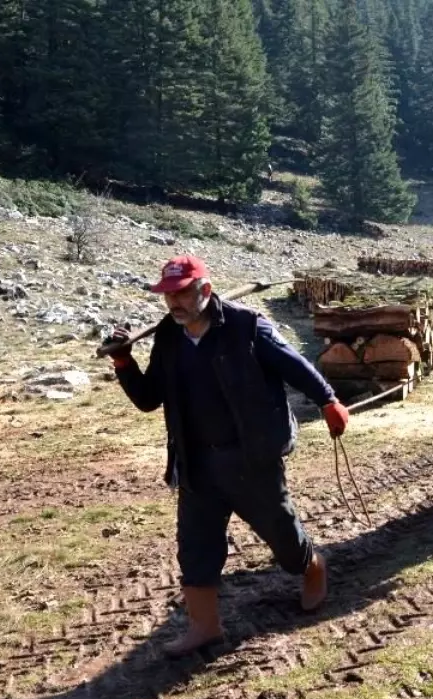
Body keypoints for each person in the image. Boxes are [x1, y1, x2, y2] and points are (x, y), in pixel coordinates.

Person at [105, 255, 350, 656]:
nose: (174, 303)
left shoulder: (247, 327)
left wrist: (328, 401)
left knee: (282, 534)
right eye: (168, 295)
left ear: (205, 290)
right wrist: (123, 361)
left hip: (251, 458)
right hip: (196, 462)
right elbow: (149, 399)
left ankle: (312, 567)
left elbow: (296, 367)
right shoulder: (168, 336)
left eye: (182, 293)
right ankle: (205, 627)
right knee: (195, 545)